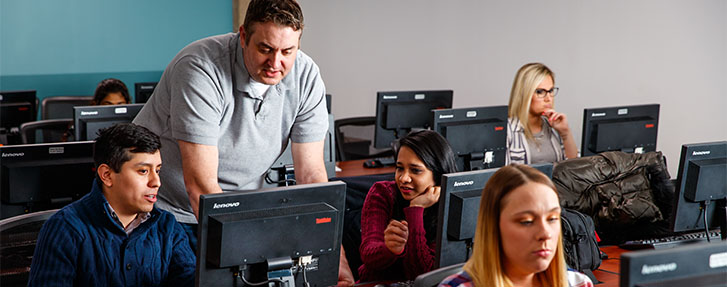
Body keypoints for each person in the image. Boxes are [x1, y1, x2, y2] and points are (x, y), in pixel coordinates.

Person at [130, 0, 354, 284]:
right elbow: (200, 186)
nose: (276, 63)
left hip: (238, 212)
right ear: (243, 36)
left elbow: (312, 177)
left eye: (288, 51)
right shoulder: (201, 67)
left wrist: (334, 261)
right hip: (165, 210)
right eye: (265, 49)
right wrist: (253, 252)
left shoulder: (307, 76)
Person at [27, 123, 195, 286]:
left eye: (157, 170)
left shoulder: (167, 226)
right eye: (143, 171)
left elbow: (189, 279)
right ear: (107, 175)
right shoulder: (65, 228)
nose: (156, 182)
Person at [439, 165, 593, 287]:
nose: (546, 234)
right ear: (494, 227)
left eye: (552, 218)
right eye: (526, 221)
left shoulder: (578, 283)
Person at [358, 130, 458, 281]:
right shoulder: (382, 193)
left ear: (438, 173)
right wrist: (390, 249)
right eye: (399, 168)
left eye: (415, 170)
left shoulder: (452, 205)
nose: (403, 178)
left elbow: (423, 276)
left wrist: (415, 211)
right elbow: (368, 255)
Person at [506, 63, 577, 165]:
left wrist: (565, 134)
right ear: (524, 94)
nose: (548, 98)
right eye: (540, 92)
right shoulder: (508, 130)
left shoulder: (554, 126)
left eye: (551, 91)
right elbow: (501, 176)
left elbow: (573, 168)